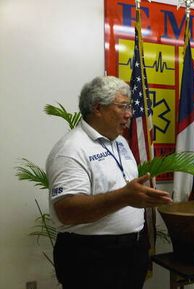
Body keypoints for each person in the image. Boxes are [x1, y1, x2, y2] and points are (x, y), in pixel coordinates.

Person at [46, 76, 173, 289]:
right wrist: (124, 197)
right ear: (97, 108)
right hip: (91, 256)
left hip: (132, 250)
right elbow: (66, 211)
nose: (129, 113)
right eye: (122, 106)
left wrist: (138, 197)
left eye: (129, 106)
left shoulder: (120, 142)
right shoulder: (71, 149)